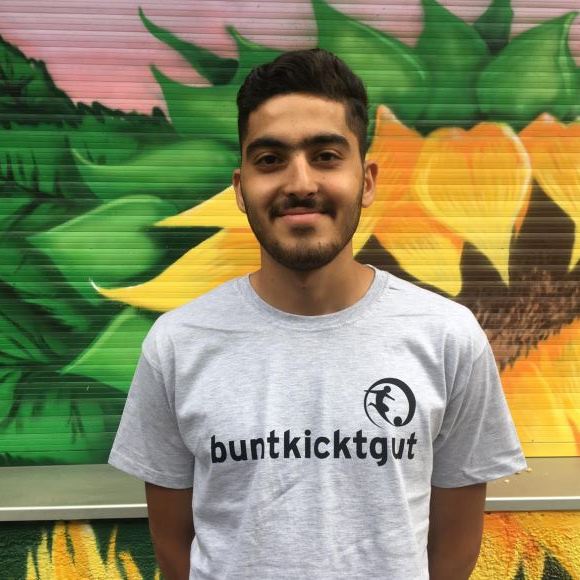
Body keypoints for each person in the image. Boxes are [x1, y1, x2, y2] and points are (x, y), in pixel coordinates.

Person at [108, 48, 527, 580]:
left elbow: (455, 544)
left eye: (326, 155)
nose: (300, 183)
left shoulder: (447, 336)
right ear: (240, 189)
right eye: (270, 160)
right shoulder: (177, 343)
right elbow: (174, 549)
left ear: (367, 181)